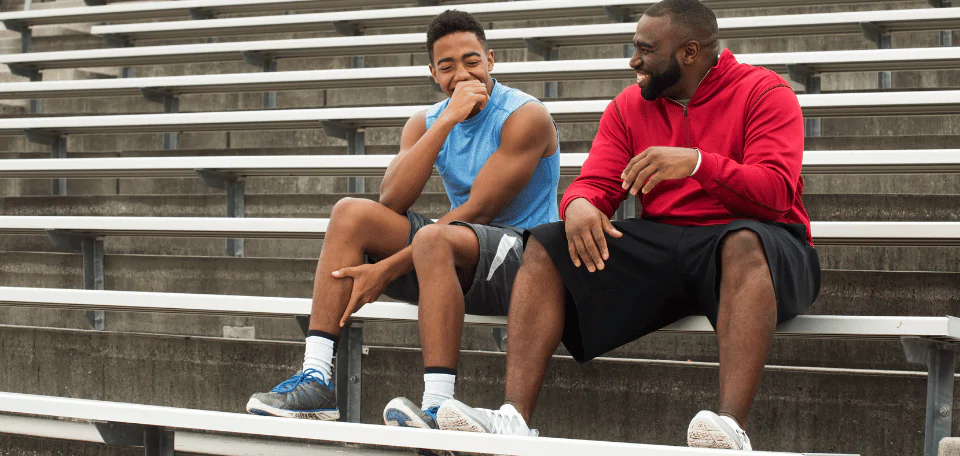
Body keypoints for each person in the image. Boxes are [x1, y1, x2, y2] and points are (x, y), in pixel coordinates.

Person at [436, 0, 820, 451]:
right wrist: (579, 204)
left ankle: (730, 428)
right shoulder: (629, 106)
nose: (634, 60)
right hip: (670, 244)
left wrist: (697, 164)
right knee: (544, 244)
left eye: (645, 50)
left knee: (742, 241)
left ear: (689, 53)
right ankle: (513, 419)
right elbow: (595, 182)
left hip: (766, 244)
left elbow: (775, 192)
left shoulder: (764, 91)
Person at [245, 8, 560, 440]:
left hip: (526, 265)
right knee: (349, 215)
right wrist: (447, 119)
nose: (462, 74)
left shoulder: (525, 116)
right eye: (447, 67)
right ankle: (316, 379)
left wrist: (388, 268)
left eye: (471, 61)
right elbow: (392, 199)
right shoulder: (428, 120)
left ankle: (436, 404)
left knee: (434, 237)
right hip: (457, 253)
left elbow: (479, 211)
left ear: (491, 59)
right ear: (433, 73)